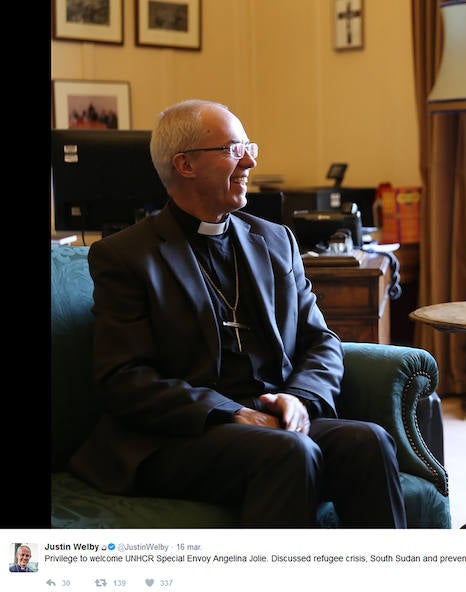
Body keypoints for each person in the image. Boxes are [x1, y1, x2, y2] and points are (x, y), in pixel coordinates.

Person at [68, 99, 407, 528]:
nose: (249, 160)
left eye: (250, 147)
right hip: (186, 432)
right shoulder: (126, 256)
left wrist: (299, 399)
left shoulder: (275, 239)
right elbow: (123, 378)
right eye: (233, 149)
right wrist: (231, 413)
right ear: (185, 165)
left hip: (273, 418)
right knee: (291, 452)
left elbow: (320, 340)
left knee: (369, 442)